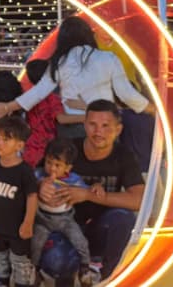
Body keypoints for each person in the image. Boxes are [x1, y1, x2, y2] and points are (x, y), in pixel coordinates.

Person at [0, 17, 153, 137]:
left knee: (72, 176)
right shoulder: (108, 58)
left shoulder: (60, 62)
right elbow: (126, 93)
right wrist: (152, 109)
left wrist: (7, 107)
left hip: (71, 129)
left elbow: (38, 92)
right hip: (103, 127)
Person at [37, 100, 144, 283]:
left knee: (124, 218)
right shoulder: (67, 149)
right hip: (63, 225)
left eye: (105, 126)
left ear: (118, 129)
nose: (98, 131)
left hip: (98, 228)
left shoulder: (123, 156)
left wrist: (86, 195)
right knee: (58, 260)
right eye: (93, 124)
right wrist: (40, 186)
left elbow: (139, 200)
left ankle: (105, 276)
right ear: (84, 125)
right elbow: (32, 176)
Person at [31, 139, 101, 287]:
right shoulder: (38, 175)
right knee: (36, 244)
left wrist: (95, 187)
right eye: (49, 163)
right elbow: (27, 185)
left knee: (81, 241)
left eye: (58, 165)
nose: (52, 169)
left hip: (66, 220)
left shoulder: (74, 180)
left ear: (68, 168)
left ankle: (85, 269)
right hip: (43, 219)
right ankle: (34, 271)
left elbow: (87, 191)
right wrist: (39, 185)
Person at [0, 116, 38, 287]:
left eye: (6, 139)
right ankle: (2, 281)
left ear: (20, 145)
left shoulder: (24, 171)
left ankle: (22, 283)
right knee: (1, 257)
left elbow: (32, 197)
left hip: (18, 229)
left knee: (20, 260)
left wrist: (28, 222)